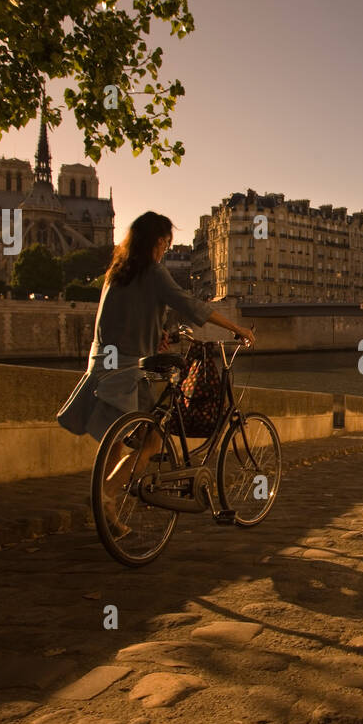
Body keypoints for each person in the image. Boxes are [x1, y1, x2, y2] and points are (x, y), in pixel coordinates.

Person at [56, 211, 254, 530]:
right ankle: (105, 495)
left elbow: (125, 315)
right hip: (128, 369)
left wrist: (155, 333)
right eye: (165, 243)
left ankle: (106, 513)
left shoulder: (116, 272)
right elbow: (187, 303)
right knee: (153, 439)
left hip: (101, 362)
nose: (165, 249)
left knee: (116, 441)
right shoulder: (153, 271)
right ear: (158, 242)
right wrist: (236, 328)